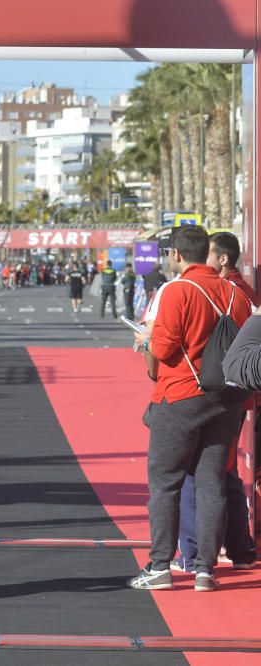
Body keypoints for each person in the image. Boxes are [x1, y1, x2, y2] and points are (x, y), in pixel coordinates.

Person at [130, 225, 253, 593]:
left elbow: (165, 350)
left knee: (165, 483)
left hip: (181, 395)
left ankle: (159, 566)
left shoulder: (178, 290)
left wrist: (147, 338)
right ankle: (205, 570)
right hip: (226, 400)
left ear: (178, 255)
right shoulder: (235, 293)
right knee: (212, 483)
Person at [172, 231, 259, 573]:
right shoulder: (240, 294)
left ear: (223, 259)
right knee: (224, 473)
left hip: (210, 391)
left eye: (208, 254)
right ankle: (238, 548)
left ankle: (198, 556)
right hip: (235, 393)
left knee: (202, 473)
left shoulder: (230, 293)